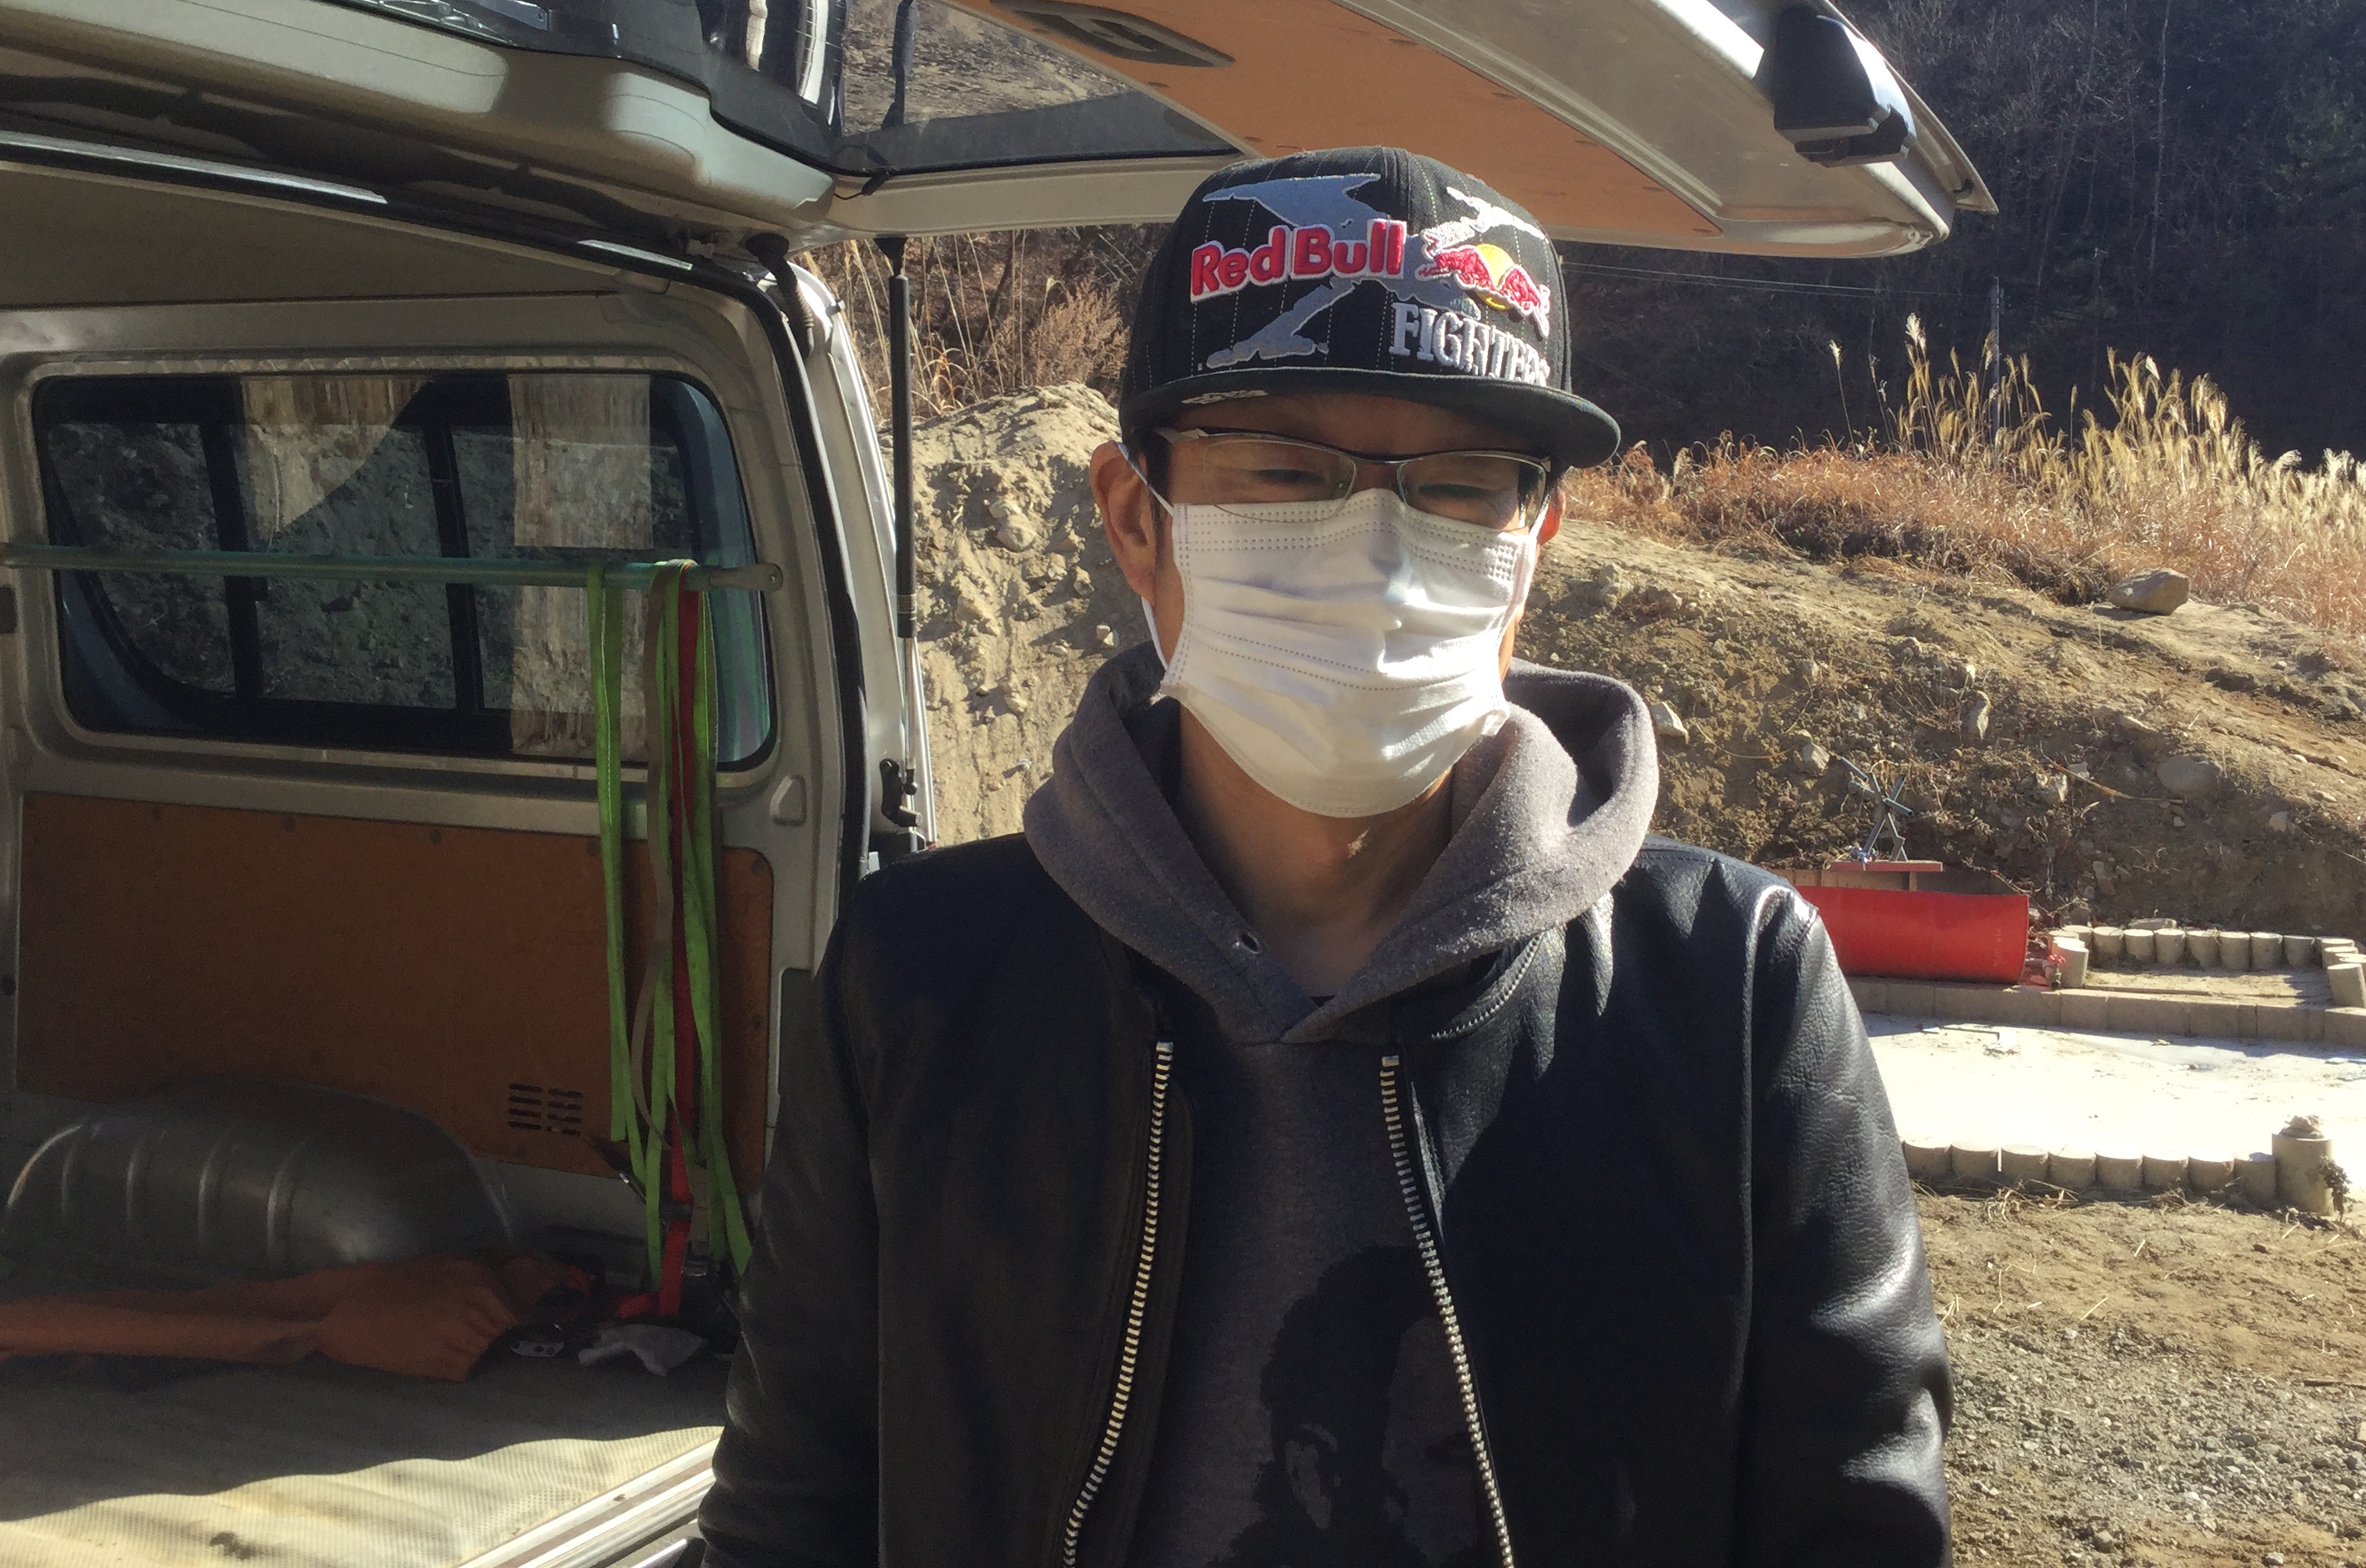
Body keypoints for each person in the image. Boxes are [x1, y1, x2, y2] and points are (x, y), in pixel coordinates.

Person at [700, 148, 1952, 1568]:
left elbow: (1857, 1522)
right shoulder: (921, 980)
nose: (1377, 556)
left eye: (1459, 487)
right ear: (1136, 520)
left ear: (1533, 546)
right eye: (1285, 471)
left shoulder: (1733, 993)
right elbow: (791, 1509)